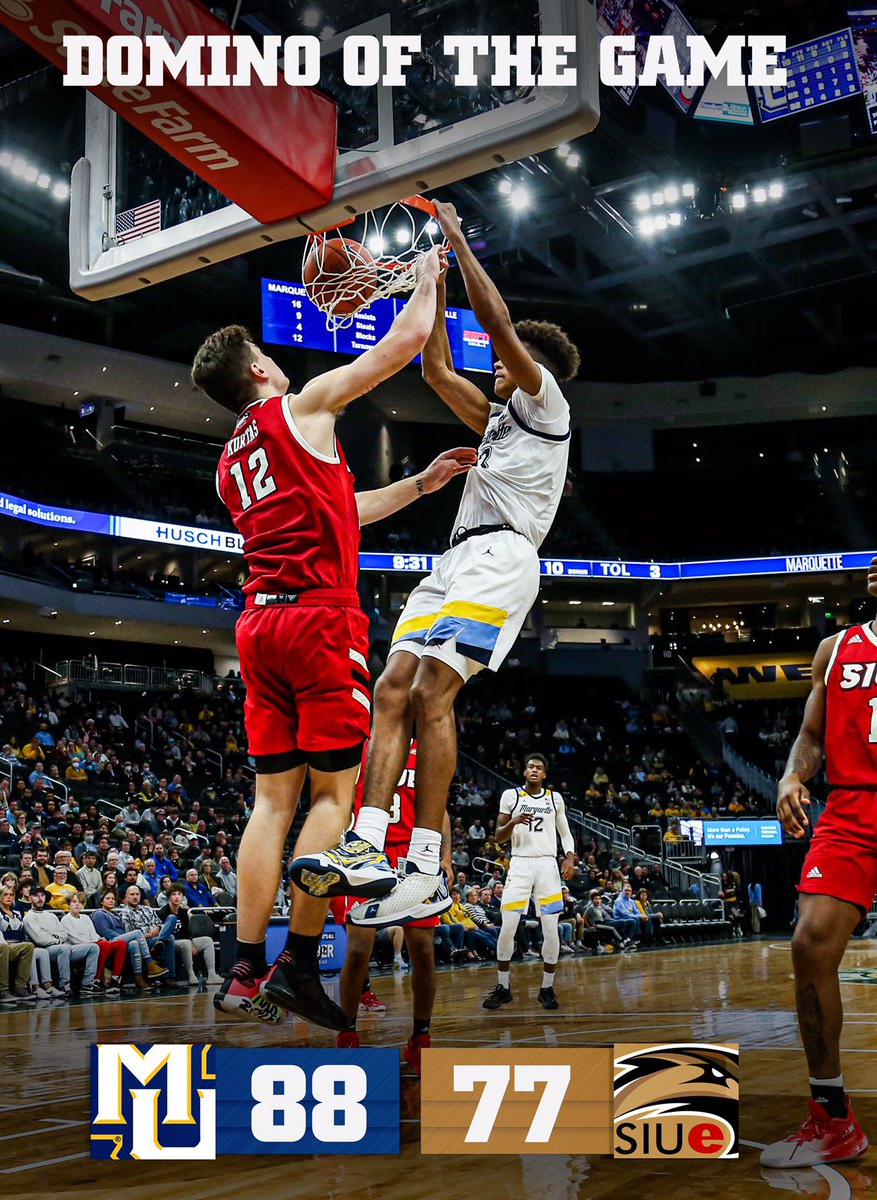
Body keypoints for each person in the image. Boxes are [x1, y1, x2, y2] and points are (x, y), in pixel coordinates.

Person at [192, 250, 475, 1031]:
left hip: (257, 625)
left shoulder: (229, 463)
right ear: (256, 372)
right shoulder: (305, 403)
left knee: (269, 800)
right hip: (319, 620)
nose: (279, 363)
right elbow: (403, 345)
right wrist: (426, 275)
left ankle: (245, 964)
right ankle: (297, 964)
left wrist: (419, 486)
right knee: (334, 796)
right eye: (269, 356)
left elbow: (342, 508)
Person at [295, 199, 579, 930]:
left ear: (532, 374)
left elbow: (501, 330)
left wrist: (454, 232)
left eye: (508, 367)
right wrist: (437, 278)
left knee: (431, 693)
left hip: (501, 556)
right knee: (390, 688)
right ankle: (365, 842)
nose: (496, 371)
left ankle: (425, 865)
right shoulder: (496, 424)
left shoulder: (546, 407)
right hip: (454, 559)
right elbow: (433, 367)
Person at [762, 557, 877, 1169]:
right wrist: (791, 773)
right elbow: (811, 734)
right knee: (809, 947)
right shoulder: (836, 650)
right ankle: (832, 1118)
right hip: (853, 810)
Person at [332, 741, 451, 1075]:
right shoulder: (358, 747)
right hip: (367, 855)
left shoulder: (429, 747)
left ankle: (421, 1037)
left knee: (423, 951)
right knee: (357, 950)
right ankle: (347, 1031)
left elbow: (439, 808)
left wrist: (446, 856)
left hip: (414, 855)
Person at [480, 754, 576, 1012]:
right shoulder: (511, 796)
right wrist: (513, 821)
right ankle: (503, 987)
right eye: (530, 767)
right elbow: (499, 837)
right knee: (508, 926)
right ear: (524, 772)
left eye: (539, 768)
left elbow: (565, 833)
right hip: (520, 864)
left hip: (547, 866)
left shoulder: (555, 798)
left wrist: (569, 858)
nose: (534, 770)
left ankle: (547, 988)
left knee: (551, 928)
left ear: (545, 774)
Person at [91, 889, 167, 991]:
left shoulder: (115, 915)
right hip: (111, 941)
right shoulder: (99, 914)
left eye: (113, 899)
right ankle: (150, 963)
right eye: (108, 898)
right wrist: (127, 936)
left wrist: (127, 937)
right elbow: (106, 933)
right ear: (101, 901)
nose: (111, 901)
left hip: (122, 940)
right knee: (137, 933)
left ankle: (138, 978)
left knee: (134, 943)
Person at [158, 884, 223, 985]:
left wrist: (192, 943)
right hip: (171, 942)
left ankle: (212, 975)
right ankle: (191, 975)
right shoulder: (163, 912)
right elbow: (164, 933)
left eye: (179, 894)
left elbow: (187, 932)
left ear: (183, 897)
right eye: (173, 894)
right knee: (186, 943)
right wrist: (190, 943)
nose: (176, 897)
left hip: (185, 941)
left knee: (207, 940)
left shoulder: (183, 912)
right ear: (169, 897)